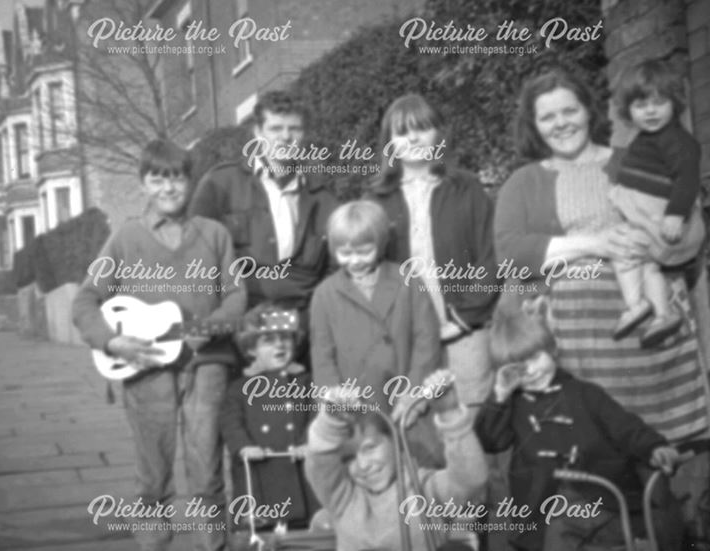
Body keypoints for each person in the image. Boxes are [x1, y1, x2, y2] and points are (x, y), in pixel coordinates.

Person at [493, 68, 710, 444]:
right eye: (547, 117)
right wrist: (592, 244)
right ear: (534, 126)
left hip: (648, 350)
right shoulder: (523, 183)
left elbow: (686, 235)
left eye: (570, 111)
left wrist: (647, 241)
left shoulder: (635, 159)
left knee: (658, 464)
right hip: (575, 352)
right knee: (592, 462)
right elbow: (510, 254)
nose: (561, 123)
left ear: (589, 112)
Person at [72, 139, 246, 551]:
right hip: (146, 368)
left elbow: (236, 294)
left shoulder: (214, 234)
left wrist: (215, 324)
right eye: (157, 179)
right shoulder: (125, 238)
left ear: (190, 181)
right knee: (153, 473)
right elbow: (84, 300)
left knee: (207, 470)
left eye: (177, 178)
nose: (168, 188)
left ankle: (214, 546)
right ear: (144, 184)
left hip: (207, 364)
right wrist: (113, 342)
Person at [474, 302, 683, 551]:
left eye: (535, 357)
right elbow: (489, 441)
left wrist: (654, 447)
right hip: (540, 512)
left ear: (553, 349)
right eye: (518, 367)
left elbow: (626, 428)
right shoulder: (514, 406)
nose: (529, 371)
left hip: (602, 503)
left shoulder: (586, 395)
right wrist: (499, 396)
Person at [365, 93, 500, 408]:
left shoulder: (466, 187)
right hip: (407, 337)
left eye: (422, 128)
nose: (412, 137)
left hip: (465, 329)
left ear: (438, 133)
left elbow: (490, 255)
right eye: (402, 132)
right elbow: (367, 273)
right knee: (417, 420)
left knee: (473, 413)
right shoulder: (375, 201)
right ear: (389, 142)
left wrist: (466, 317)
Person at [189, 90, 339, 329]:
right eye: (276, 129)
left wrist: (310, 318)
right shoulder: (220, 184)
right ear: (258, 133)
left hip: (303, 323)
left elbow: (336, 269)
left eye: (294, 129)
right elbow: (196, 257)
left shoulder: (323, 198)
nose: (286, 137)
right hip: (239, 322)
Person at [305, 370, 487, 551]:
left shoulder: (424, 489)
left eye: (370, 448)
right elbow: (320, 463)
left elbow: (470, 478)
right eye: (349, 458)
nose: (363, 465)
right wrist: (330, 422)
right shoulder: (343, 498)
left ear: (394, 442)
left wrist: (449, 412)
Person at [607, 59, 707, 346]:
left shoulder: (678, 141)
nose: (650, 111)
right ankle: (660, 313)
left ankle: (638, 305)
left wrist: (675, 214)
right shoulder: (646, 139)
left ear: (674, 104)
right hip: (648, 220)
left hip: (663, 222)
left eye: (659, 103)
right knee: (644, 264)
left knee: (625, 251)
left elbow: (687, 178)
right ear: (628, 111)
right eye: (640, 106)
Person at [309, 200, 441, 413]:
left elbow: (427, 340)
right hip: (354, 407)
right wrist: (334, 398)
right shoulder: (325, 294)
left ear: (380, 244)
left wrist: (413, 396)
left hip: (405, 398)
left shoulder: (408, 280)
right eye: (345, 253)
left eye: (363, 252)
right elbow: (322, 356)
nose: (355, 261)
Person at [220, 303, 319, 532]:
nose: (279, 345)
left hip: (300, 470)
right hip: (260, 472)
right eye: (268, 340)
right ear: (251, 348)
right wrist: (243, 446)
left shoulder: (305, 381)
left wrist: (309, 442)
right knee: (260, 530)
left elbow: (317, 413)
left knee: (307, 529)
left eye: (285, 338)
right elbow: (230, 420)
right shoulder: (240, 387)